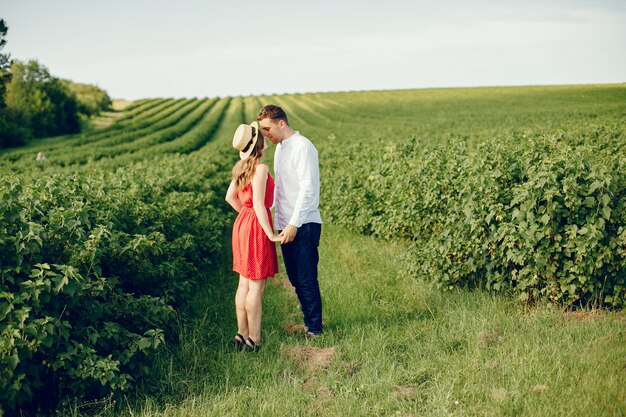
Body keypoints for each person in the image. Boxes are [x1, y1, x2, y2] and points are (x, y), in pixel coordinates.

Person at [257, 105, 323, 338]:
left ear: (281, 123)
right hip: (284, 223)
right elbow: (282, 188)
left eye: (267, 129)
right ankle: (309, 321)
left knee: (306, 278)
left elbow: (308, 189)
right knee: (295, 278)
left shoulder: (303, 147)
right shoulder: (280, 149)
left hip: (303, 223)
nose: (265, 134)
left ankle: (314, 328)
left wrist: (294, 224)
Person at [225, 121, 280, 352]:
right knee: (256, 286)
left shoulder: (240, 168)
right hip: (255, 226)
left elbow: (230, 197)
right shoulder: (261, 168)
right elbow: (258, 203)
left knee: (244, 284)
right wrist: (270, 233)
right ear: (258, 142)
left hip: (241, 225)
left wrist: (245, 216)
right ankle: (254, 339)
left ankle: (241, 333)